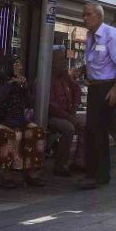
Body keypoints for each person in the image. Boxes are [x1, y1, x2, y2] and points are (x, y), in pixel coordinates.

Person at [79, 4, 116, 189]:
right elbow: (95, 63)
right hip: (94, 88)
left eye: (88, 15)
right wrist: (80, 70)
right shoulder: (89, 36)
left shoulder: (111, 34)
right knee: (92, 130)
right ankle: (93, 172)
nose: (85, 18)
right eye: (83, 15)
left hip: (107, 88)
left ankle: (99, 175)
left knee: (98, 130)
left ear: (99, 16)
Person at [0, 55, 45, 189]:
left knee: (36, 132)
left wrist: (24, 86)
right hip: (2, 121)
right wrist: (9, 85)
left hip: (19, 121)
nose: (20, 67)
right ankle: (7, 175)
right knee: (10, 136)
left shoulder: (20, 82)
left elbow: (29, 102)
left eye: (20, 64)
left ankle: (31, 172)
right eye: (17, 64)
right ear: (8, 66)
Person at [48, 47, 85, 177]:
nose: (63, 63)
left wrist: (74, 107)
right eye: (59, 60)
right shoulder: (46, 78)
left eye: (63, 59)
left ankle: (79, 161)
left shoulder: (64, 79)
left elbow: (77, 91)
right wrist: (69, 117)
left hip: (66, 114)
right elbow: (50, 107)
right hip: (52, 116)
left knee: (84, 125)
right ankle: (60, 165)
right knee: (68, 128)